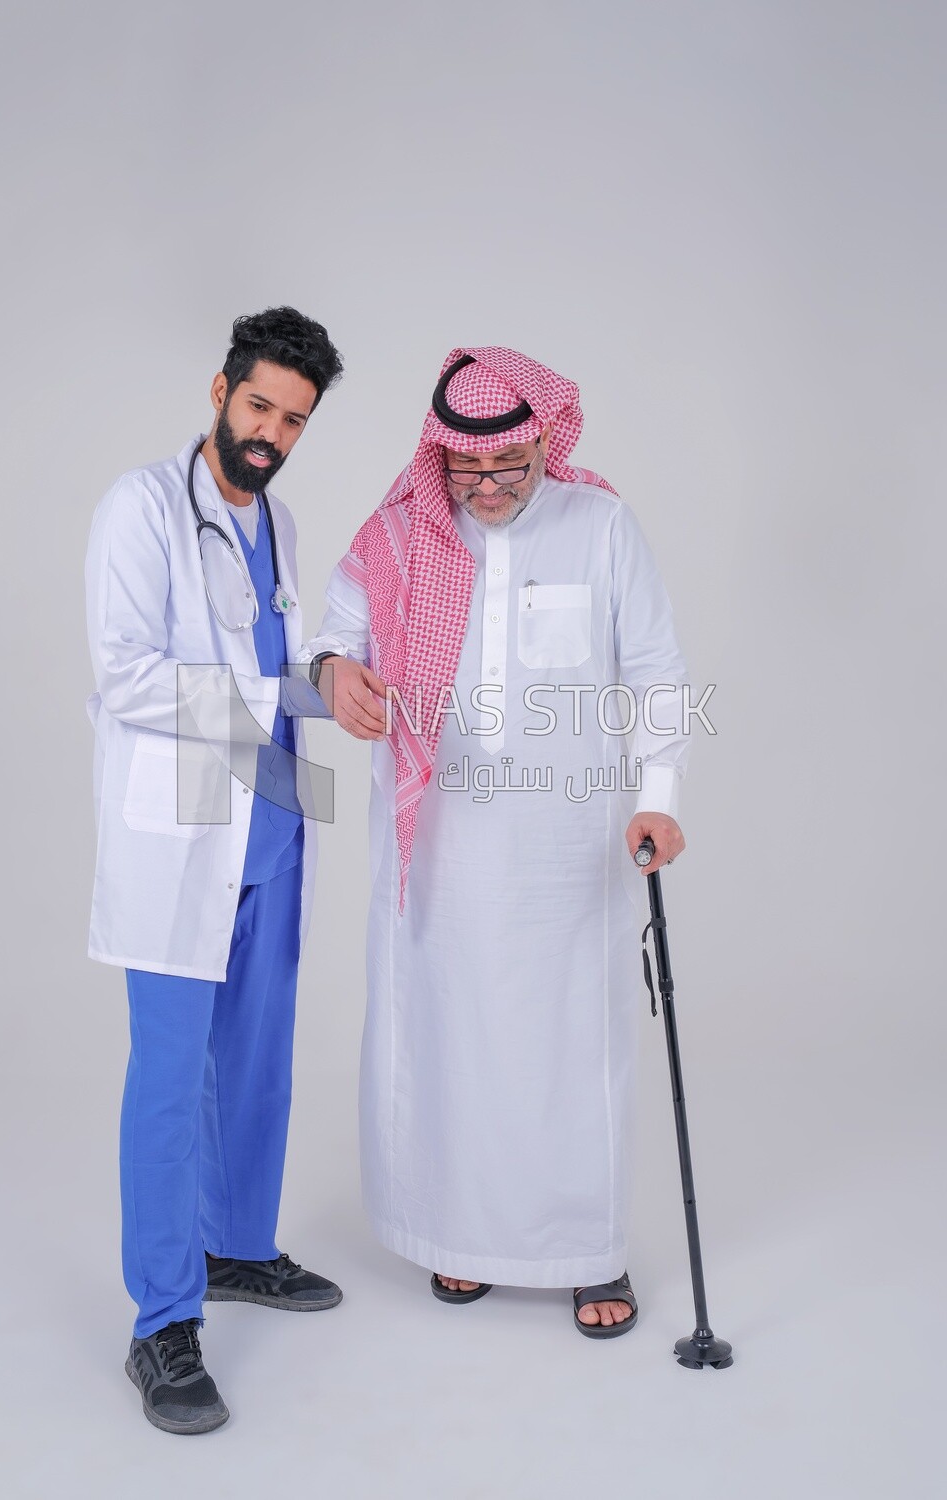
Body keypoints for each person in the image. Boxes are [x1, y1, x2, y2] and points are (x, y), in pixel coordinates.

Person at [302, 346, 691, 1340]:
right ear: (440, 455)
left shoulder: (600, 525)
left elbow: (652, 670)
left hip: (568, 846)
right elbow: (333, 638)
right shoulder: (399, 536)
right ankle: (455, 1237)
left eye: (508, 468)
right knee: (447, 1038)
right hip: (438, 842)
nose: (486, 488)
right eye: (467, 470)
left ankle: (588, 1252)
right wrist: (337, 672)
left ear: (543, 443)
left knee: (570, 1045)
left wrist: (659, 795)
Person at [85, 307, 344, 1435]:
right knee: (168, 1083)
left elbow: (282, 657)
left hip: (273, 821)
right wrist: (282, 701)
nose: (272, 434)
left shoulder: (280, 518)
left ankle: (238, 1247)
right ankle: (161, 1325)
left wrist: (332, 685)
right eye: (258, 407)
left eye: (292, 419)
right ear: (219, 391)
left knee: (258, 1063)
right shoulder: (138, 507)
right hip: (183, 833)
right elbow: (127, 678)